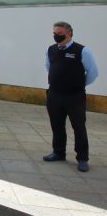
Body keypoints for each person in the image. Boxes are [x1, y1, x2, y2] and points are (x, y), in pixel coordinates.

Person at [43, 21, 98, 172]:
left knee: (79, 127)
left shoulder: (82, 51)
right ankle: (58, 152)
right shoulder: (51, 49)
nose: (56, 36)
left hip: (75, 97)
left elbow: (93, 73)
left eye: (59, 34)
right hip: (54, 94)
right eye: (54, 33)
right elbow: (49, 67)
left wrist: (79, 85)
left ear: (69, 34)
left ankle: (82, 158)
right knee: (57, 125)